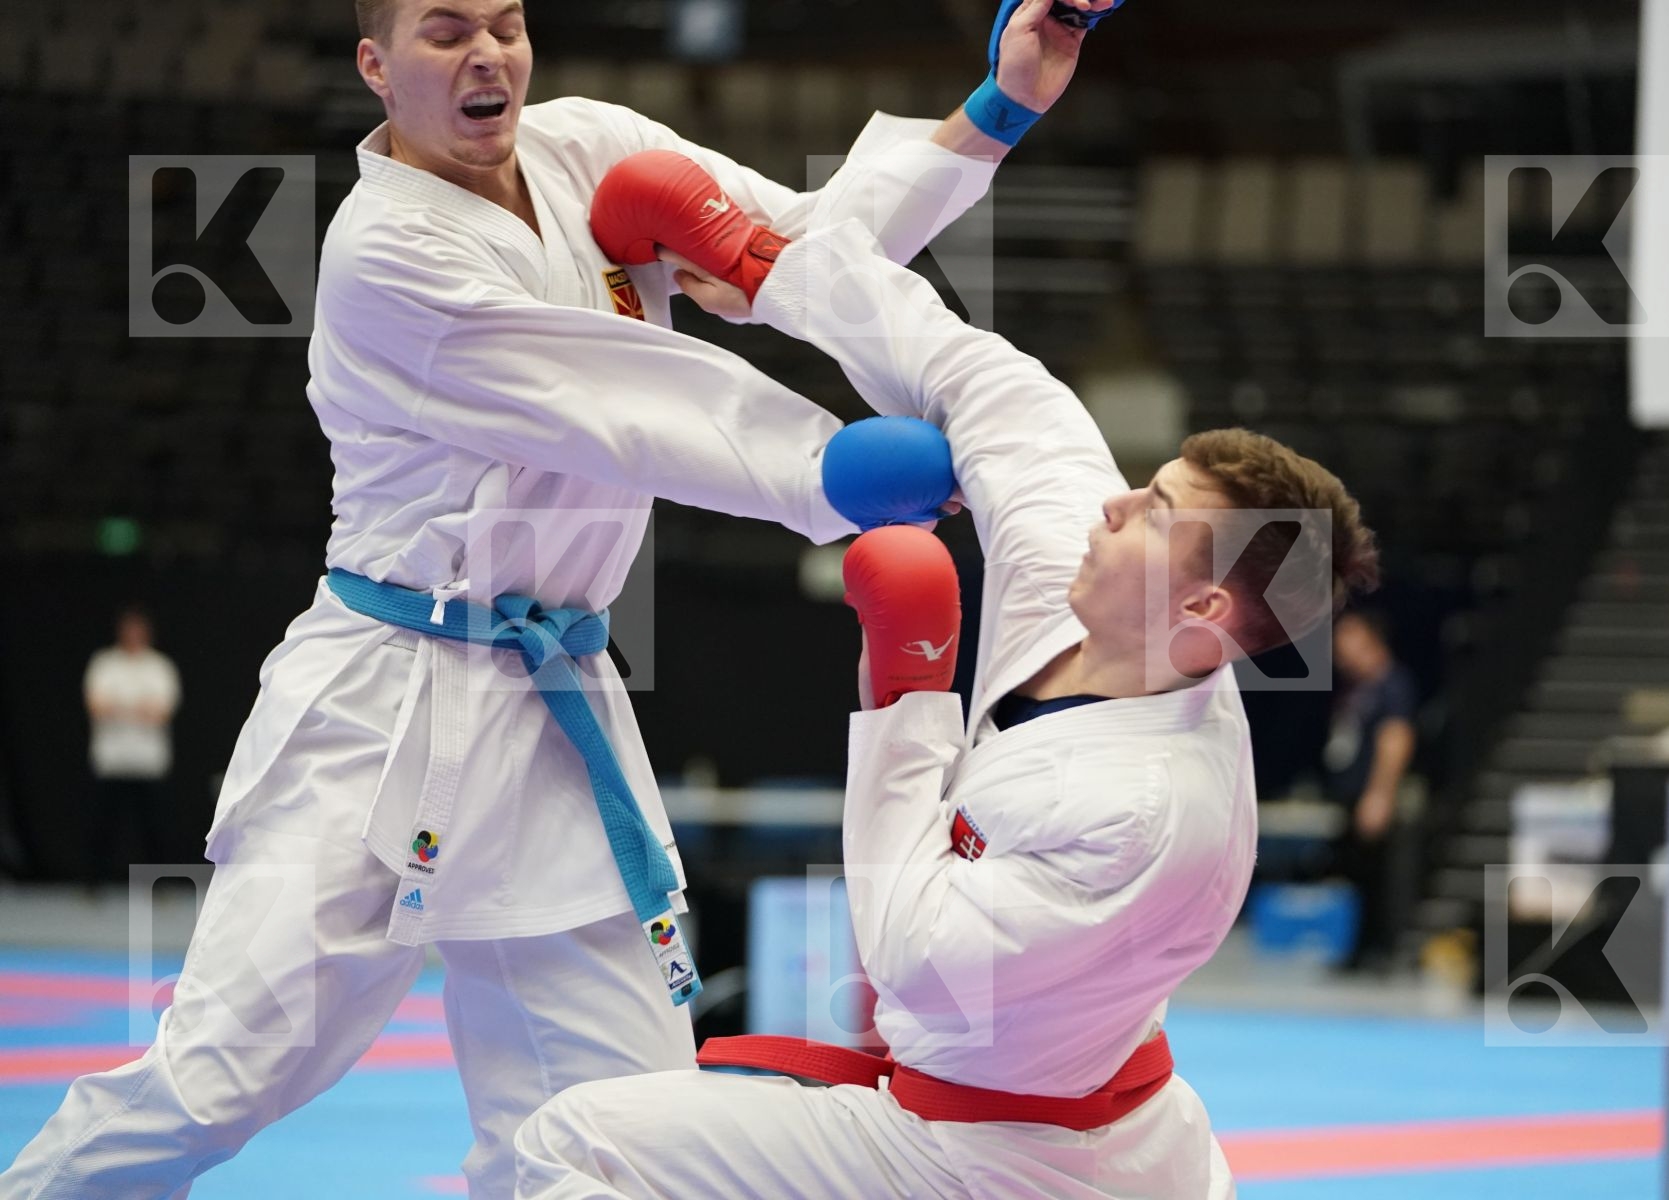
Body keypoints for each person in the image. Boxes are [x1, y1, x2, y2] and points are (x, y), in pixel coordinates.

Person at [0, 0, 1082, 1196]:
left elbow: (799, 246)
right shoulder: (385, 253)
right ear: (376, 66)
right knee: (217, 1081)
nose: (487, 55)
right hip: (385, 707)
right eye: (444, 30)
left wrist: (995, 111)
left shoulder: (590, 147)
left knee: (619, 1119)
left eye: (506, 24)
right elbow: (622, 400)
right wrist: (835, 471)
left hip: (554, 708)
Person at [509, 128, 1380, 1200]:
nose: (1113, 504)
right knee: (583, 1142)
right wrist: (761, 269)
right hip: (1019, 1103)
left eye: (1154, 512)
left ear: (1202, 605)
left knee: (574, 1145)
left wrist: (907, 691)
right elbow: (983, 384)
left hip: (1016, 1162)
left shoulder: (1152, 816)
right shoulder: (1091, 573)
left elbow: (911, 953)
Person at [1322, 609, 1418, 970]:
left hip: (1374, 798)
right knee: (1357, 876)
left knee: (1380, 877)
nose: (1339, 653)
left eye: (1347, 642)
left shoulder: (1392, 684)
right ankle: (1361, 948)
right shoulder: (1360, 689)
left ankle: (1383, 951)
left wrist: (1379, 795)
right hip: (1353, 795)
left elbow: (1396, 740)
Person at [82, 606, 182, 888]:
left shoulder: (159, 667)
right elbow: (96, 707)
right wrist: (139, 708)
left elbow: (161, 712)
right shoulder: (104, 663)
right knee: (103, 826)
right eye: (129, 630)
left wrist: (118, 706)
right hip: (111, 761)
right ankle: (93, 884)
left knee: (154, 829)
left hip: (148, 762)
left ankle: (159, 885)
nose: (134, 635)